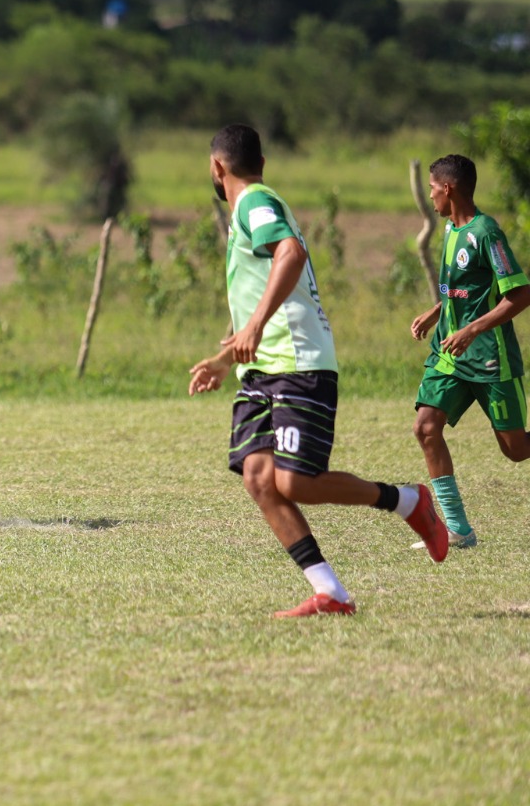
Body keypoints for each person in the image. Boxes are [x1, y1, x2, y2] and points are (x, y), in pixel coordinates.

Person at [189, 124, 448, 618]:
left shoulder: (253, 203)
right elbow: (261, 290)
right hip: (263, 368)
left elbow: (291, 252)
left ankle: (409, 502)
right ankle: (330, 592)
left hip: (298, 362)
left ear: (217, 167)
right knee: (259, 477)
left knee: (294, 481)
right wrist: (228, 357)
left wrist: (257, 327)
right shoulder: (250, 208)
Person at [408, 154, 530, 548]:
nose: (430, 197)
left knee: (515, 451)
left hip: (490, 359)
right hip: (450, 354)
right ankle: (457, 529)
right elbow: (461, 290)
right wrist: (435, 312)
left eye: (431, 189)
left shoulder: (486, 232)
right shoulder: (449, 230)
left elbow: (519, 293)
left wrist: (472, 329)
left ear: (448, 188)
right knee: (426, 427)